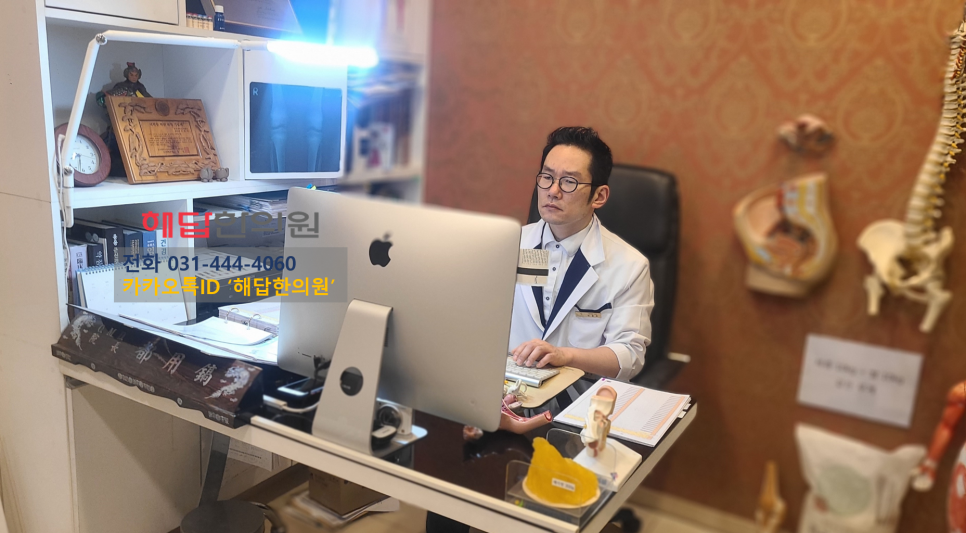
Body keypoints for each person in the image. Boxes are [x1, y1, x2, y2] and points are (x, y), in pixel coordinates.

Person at [509, 126, 654, 382]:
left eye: (569, 181)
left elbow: (629, 356)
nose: (553, 191)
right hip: (509, 388)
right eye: (547, 177)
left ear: (599, 196)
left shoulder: (630, 266)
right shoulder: (510, 245)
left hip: (578, 395)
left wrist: (565, 355)